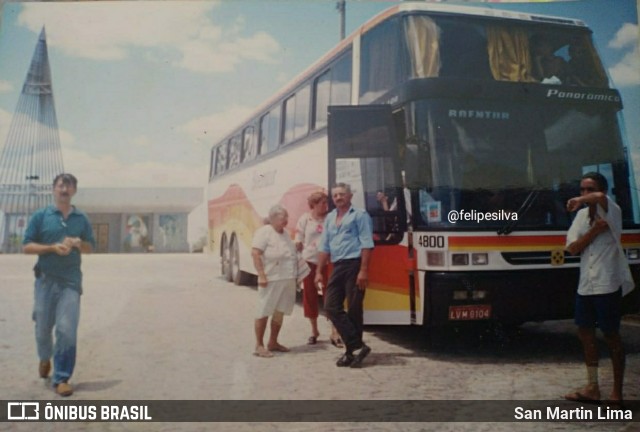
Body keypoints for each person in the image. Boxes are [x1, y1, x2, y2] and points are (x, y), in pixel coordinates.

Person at [23, 173, 96, 397]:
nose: (65, 189)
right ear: (54, 189)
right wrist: (52, 248)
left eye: (69, 185)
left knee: (66, 329)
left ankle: (62, 377)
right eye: (61, 185)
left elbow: (90, 247)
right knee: (43, 328)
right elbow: (26, 246)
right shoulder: (41, 216)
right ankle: (45, 357)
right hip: (45, 280)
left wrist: (77, 243)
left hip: (71, 282)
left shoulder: (81, 219)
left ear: (74, 190)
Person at [563, 172, 633, 405]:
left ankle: (617, 391)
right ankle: (592, 386)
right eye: (581, 189)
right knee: (585, 334)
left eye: (588, 189)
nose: (584, 193)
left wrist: (581, 201)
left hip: (607, 282)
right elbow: (572, 248)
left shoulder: (611, 209)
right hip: (586, 284)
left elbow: (600, 197)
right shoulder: (581, 218)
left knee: (611, 335)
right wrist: (593, 232)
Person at [315, 183, 374, 368]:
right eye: (335, 195)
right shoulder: (330, 218)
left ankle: (350, 353)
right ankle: (357, 346)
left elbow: (366, 243)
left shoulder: (360, 215)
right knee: (331, 307)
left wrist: (363, 270)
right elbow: (324, 247)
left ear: (349, 196)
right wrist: (318, 271)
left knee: (355, 308)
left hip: (354, 264)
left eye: (341, 194)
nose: (338, 198)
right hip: (337, 265)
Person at [294, 191, 343, 347]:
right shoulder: (305, 219)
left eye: (326, 202)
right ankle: (314, 331)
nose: (325, 206)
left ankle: (334, 331)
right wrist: (297, 245)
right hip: (310, 261)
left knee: (332, 295)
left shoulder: (330, 218)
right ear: (313, 205)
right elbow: (299, 237)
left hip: (328, 261)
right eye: (322, 203)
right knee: (310, 296)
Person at [251, 204, 300, 358]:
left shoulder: (285, 233)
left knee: (280, 312)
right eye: (282, 217)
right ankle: (259, 345)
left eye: (286, 217)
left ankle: (273, 342)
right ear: (272, 218)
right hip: (271, 279)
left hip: (287, 278)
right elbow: (255, 253)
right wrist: (262, 275)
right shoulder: (264, 233)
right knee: (264, 310)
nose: (286, 220)